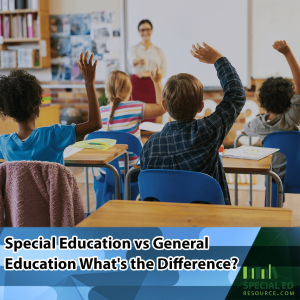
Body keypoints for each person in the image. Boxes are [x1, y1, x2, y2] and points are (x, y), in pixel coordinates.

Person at [140, 42, 246, 205]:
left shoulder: (150, 146)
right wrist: (218, 59)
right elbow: (236, 94)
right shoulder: (207, 132)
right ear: (201, 107)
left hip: (166, 223)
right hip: (210, 222)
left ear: (164, 107)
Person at [0, 51, 102, 165]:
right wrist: (89, 83)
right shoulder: (53, 135)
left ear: (9, 112)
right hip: (53, 184)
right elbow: (95, 124)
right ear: (37, 109)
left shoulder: (4, 144)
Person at [243, 40, 300, 206]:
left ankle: (272, 214)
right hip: (297, 173)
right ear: (290, 103)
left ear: (263, 103)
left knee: (271, 180)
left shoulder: (257, 124)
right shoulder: (291, 119)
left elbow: (244, 133)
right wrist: (288, 53)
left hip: (274, 177)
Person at [99, 65, 165, 176]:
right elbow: (163, 107)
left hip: (106, 172)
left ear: (107, 91)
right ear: (129, 90)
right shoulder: (135, 107)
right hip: (131, 172)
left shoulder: (100, 112)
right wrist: (157, 81)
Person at [128, 19, 167, 122]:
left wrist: (146, 73)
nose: (145, 32)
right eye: (142, 30)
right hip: (137, 85)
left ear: (152, 30)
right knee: (136, 114)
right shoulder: (133, 49)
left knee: (156, 112)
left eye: (148, 29)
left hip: (154, 84)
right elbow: (131, 63)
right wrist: (136, 61)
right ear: (138, 31)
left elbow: (164, 71)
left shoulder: (158, 51)